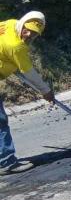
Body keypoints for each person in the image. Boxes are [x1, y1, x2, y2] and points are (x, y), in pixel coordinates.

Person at [1, 11, 55, 176]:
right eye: (28, 30)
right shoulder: (17, 47)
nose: (28, 35)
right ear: (23, 23)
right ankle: (6, 162)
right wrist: (46, 91)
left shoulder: (9, 24)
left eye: (33, 34)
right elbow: (29, 73)